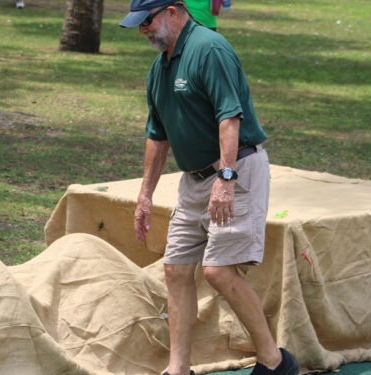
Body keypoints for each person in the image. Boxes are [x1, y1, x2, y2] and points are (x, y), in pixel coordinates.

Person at [119, 1, 300, 375]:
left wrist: (227, 179)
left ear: (172, 11)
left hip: (235, 172)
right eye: (139, 25)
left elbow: (229, 116)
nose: (143, 31)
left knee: (218, 271)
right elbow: (157, 134)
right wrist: (145, 195)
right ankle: (178, 369)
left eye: (147, 22)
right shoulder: (160, 68)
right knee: (176, 270)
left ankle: (275, 362)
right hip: (193, 181)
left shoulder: (210, 49)